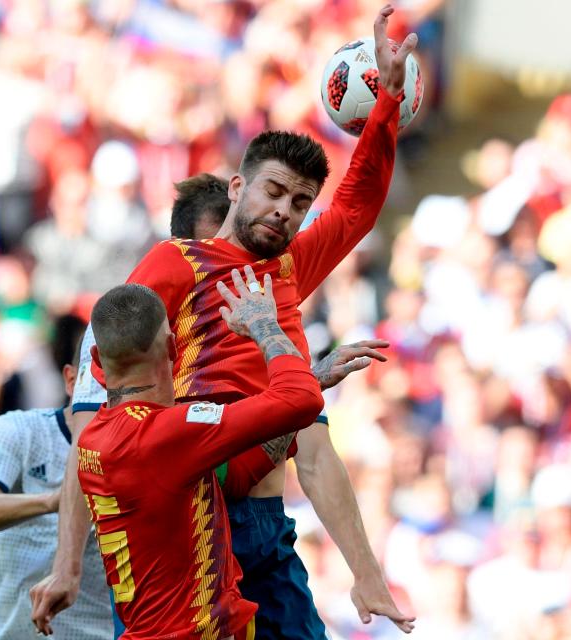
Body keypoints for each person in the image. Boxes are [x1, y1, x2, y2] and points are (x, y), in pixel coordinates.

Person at [33, 6, 417, 637]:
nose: (285, 211)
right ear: (238, 187)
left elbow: (357, 205)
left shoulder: (290, 266)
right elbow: (95, 421)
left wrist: (386, 105)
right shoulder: (176, 263)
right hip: (202, 519)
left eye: (299, 202)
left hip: (270, 526)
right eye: (272, 191)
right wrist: (68, 563)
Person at [73, 276, 323, 639]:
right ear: (173, 348)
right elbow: (300, 399)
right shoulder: (168, 433)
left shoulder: (94, 439)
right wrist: (264, 323)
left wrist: (309, 385)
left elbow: (236, 476)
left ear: (97, 359)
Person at [0, 338, 113, 639]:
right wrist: (54, 501)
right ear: (71, 381)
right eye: (101, 384)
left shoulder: (139, 449)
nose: (111, 397)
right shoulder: (23, 431)